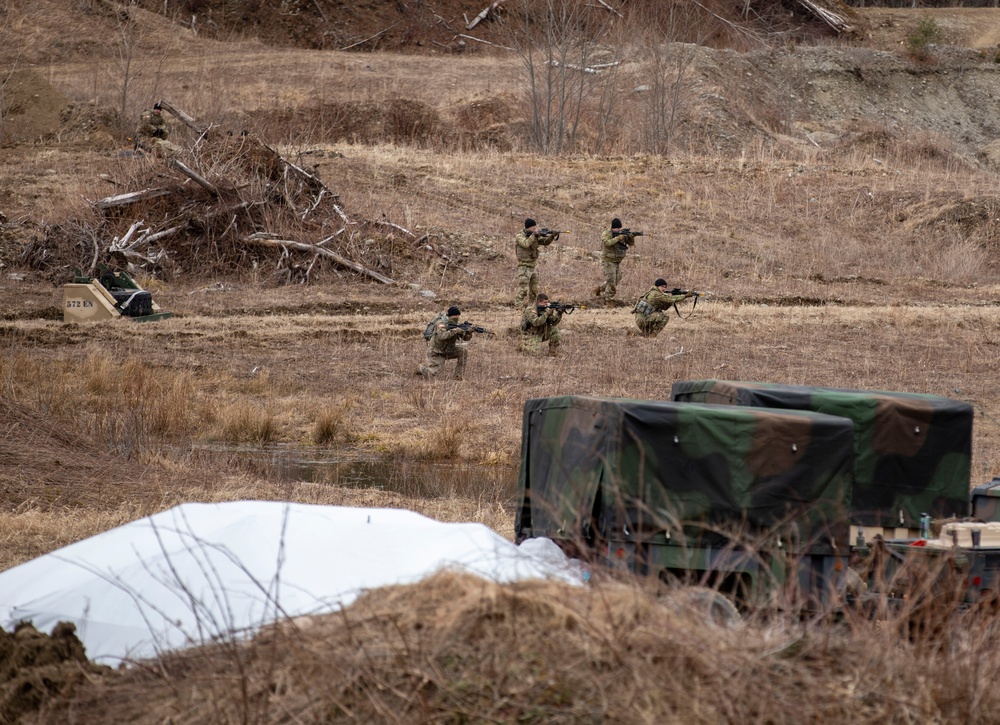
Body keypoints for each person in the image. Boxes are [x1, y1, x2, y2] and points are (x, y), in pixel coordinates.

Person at [417, 305, 473, 380]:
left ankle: (458, 377)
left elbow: (465, 339)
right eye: (455, 315)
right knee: (434, 375)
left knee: (463, 351)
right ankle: (420, 368)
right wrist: (456, 330)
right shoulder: (441, 323)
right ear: (450, 315)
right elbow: (442, 336)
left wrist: (468, 332)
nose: (457, 317)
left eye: (458, 315)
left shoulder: (455, 325)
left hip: (448, 350)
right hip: (437, 352)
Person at [514, 218, 559, 308]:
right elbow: (525, 244)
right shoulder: (520, 236)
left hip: (533, 266)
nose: (535, 229)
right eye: (532, 228)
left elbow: (545, 242)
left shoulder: (534, 236)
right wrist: (533, 235)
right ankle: (518, 306)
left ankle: (530, 307)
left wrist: (552, 236)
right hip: (524, 266)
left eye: (535, 228)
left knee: (534, 289)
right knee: (523, 289)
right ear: (528, 228)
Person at [595, 217, 637, 305]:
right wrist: (618, 238)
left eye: (619, 228)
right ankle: (609, 300)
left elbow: (631, 244)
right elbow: (607, 243)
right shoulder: (606, 233)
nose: (619, 230)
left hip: (617, 261)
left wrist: (631, 237)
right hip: (608, 260)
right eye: (617, 228)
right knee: (611, 281)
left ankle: (599, 289)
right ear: (613, 227)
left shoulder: (621, 234)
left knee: (618, 278)